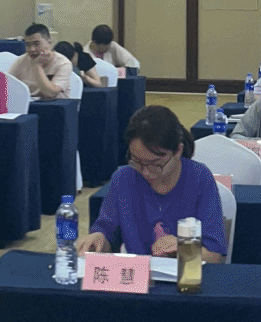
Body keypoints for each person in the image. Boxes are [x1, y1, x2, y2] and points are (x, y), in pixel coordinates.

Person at [78, 106, 229, 261]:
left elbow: (214, 256)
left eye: (155, 165)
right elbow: (109, 236)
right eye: (137, 161)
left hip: (186, 274)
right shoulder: (123, 178)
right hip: (138, 273)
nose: (146, 172)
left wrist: (184, 247)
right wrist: (99, 239)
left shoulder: (199, 179)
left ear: (178, 151)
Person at [16, 23, 75, 101]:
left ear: (49, 42)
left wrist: (37, 65)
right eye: (28, 45)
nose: (32, 49)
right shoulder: (21, 60)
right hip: (29, 104)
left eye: (36, 44)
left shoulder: (63, 63)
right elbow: (7, 85)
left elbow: (50, 93)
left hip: (55, 106)